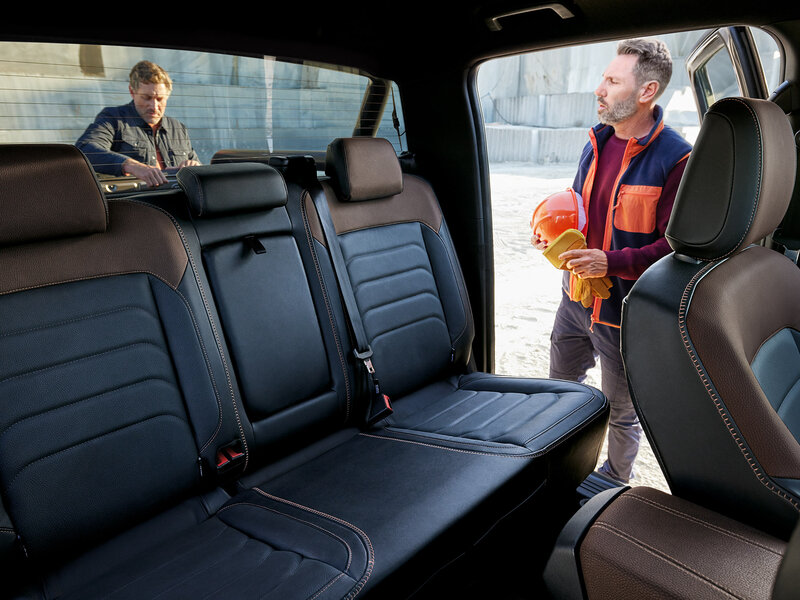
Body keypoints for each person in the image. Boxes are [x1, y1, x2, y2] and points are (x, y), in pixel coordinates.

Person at [532, 38, 692, 484]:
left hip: (625, 313)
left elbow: (674, 249)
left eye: (612, 81)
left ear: (647, 91)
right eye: (603, 78)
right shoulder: (596, 142)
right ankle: (558, 472)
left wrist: (611, 263)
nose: (599, 89)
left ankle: (613, 483)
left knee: (621, 414)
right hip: (575, 300)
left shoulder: (677, 159)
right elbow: (579, 211)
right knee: (558, 395)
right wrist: (552, 233)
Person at [76, 60, 200, 186]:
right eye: (146, 98)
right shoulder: (113, 119)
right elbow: (86, 150)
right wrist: (131, 165)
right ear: (132, 92)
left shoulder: (178, 128)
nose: (154, 106)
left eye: (160, 99)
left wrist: (194, 167)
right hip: (135, 203)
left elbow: (198, 170)